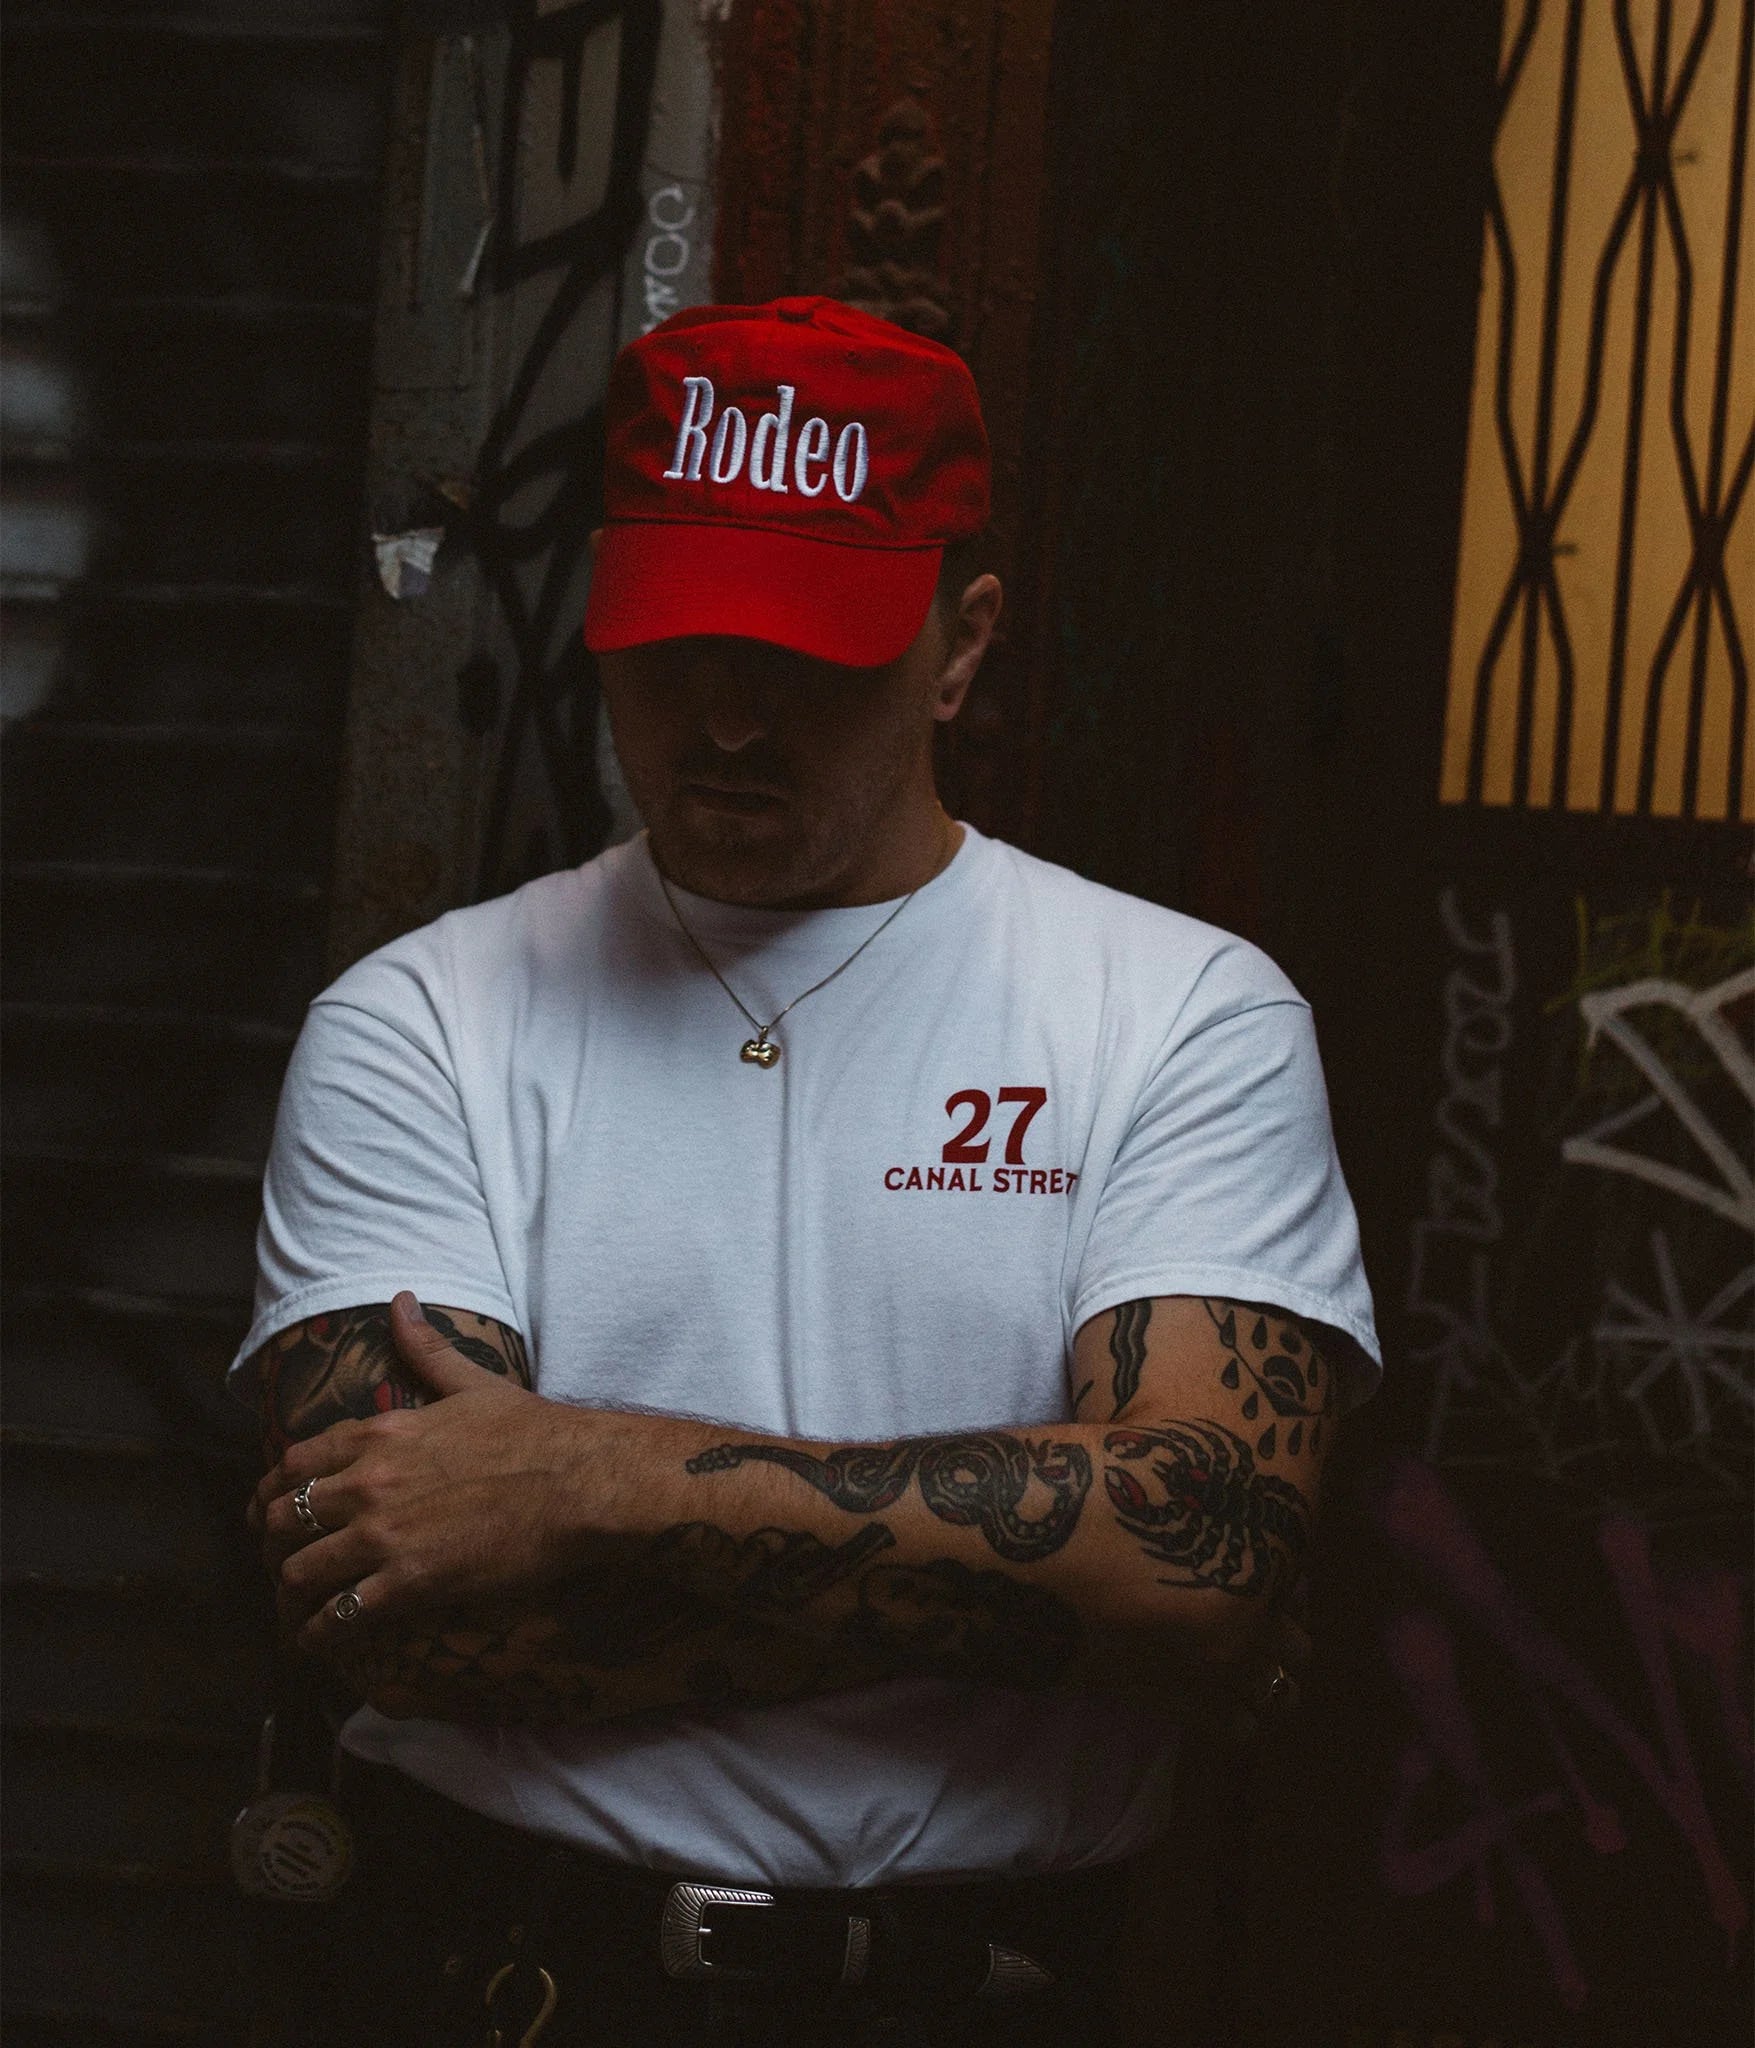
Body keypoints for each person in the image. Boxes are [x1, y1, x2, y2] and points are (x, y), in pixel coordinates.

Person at [237, 296, 1380, 2048]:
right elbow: (396, 1628)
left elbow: (1198, 1555)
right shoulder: (425, 1025)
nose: (731, 718)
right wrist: (1066, 1609)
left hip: (990, 1993)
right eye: (674, 647)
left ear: (961, 644)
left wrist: (601, 1480)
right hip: (509, 1972)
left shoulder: (1182, 1015)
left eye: (808, 653)